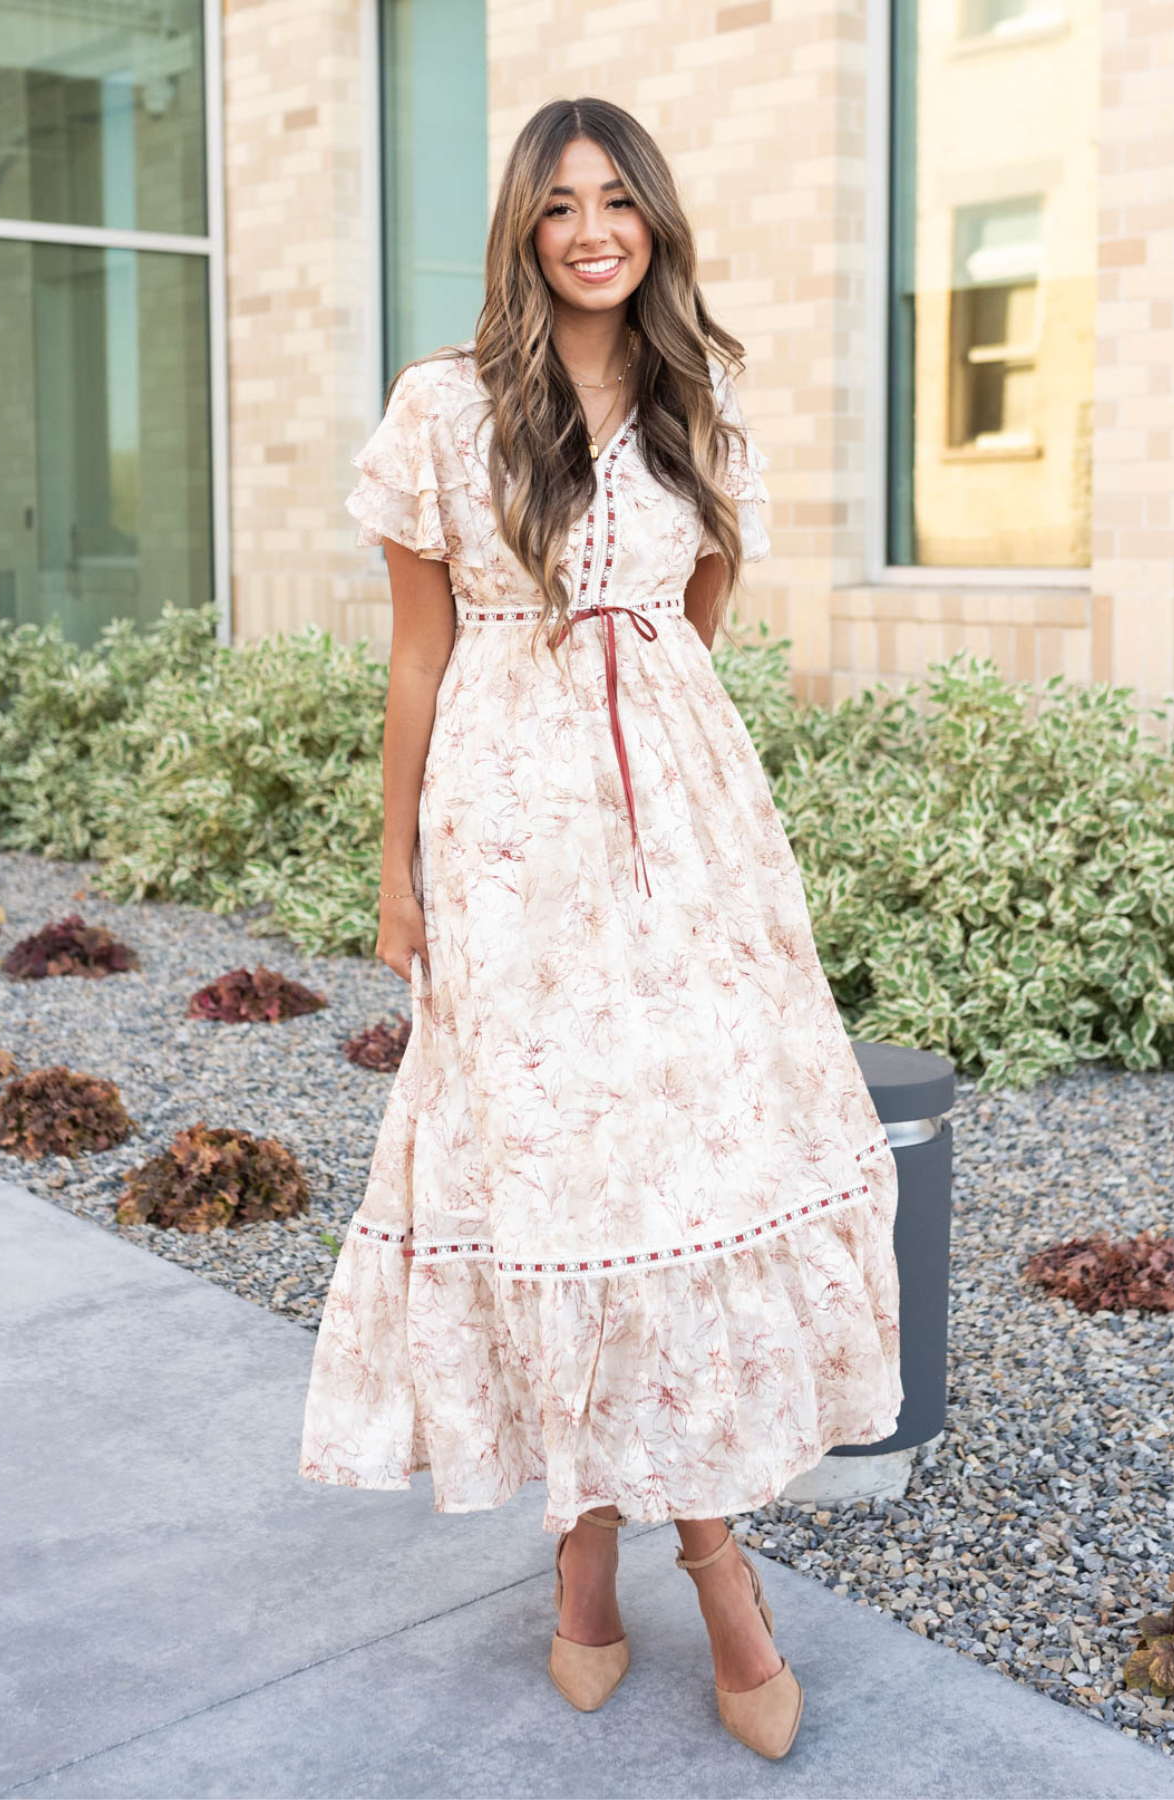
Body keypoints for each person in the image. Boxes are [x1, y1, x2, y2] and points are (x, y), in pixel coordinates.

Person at [299, 95, 903, 1761]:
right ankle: (615, 1547)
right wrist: (399, 872)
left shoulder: (697, 399)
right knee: (549, 1172)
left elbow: (694, 621)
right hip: (506, 841)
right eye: (560, 202)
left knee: (693, 1168)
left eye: (617, 201)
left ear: (651, 223)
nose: (589, 228)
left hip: (689, 835)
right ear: (523, 224)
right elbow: (419, 657)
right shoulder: (446, 407)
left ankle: (685, 1555)